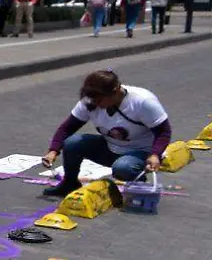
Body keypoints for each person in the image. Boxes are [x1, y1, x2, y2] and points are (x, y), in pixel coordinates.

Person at [39, 69, 169, 200]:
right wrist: (53, 151)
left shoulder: (143, 102)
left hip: (140, 152)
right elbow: (68, 127)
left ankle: (138, 186)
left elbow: (163, 132)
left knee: (123, 167)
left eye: (100, 99)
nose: (95, 103)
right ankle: (69, 184)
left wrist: (155, 155)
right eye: (92, 99)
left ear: (116, 91)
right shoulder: (90, 101)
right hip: (110, 147)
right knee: (73, 143)